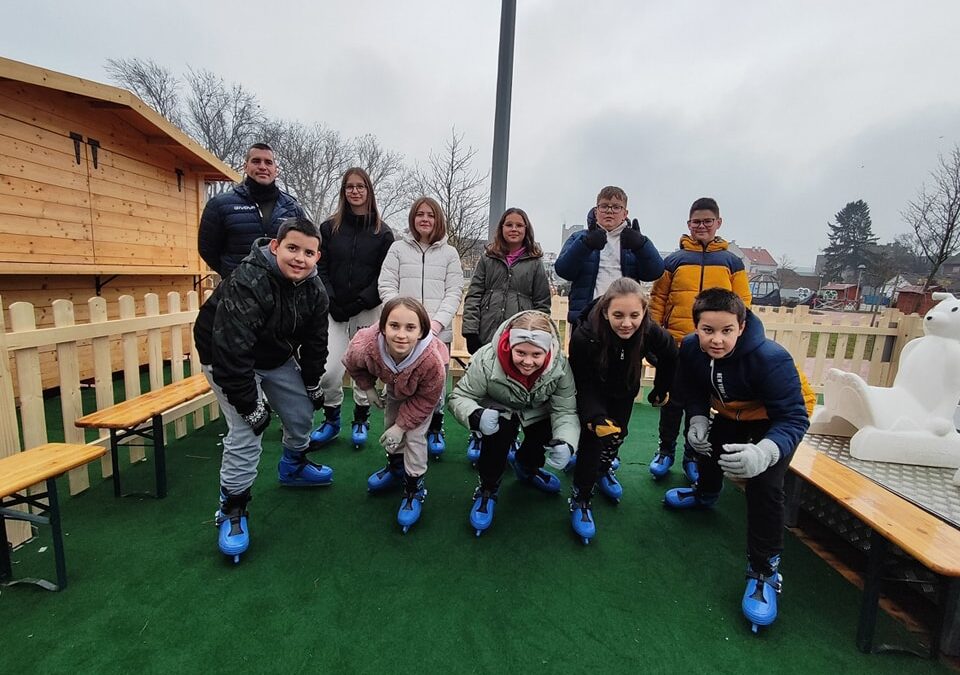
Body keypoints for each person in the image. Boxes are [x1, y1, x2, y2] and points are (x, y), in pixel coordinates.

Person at [663, 288, 815, 631]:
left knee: (764, 485)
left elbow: (793, 417)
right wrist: (699, 418)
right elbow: (691, 387)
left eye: (726, 330)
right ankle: (705, 494)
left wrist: (765, 451)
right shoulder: (689, 347)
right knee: (712, 446)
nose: (717, 340)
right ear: (696, 327)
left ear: (742, 326)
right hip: (733, 410)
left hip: (778, 417)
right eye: (708, 330)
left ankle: (764, 570)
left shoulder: (771, 358)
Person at [194, 217, 332, 563]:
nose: (300, 258)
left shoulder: (315, 291)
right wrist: (248, 404)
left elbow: (316, 342)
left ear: (318, 257)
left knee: (301, 411)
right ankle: (232, 506)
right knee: (246, 430)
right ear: (275, 246)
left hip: (273, 355)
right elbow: (231, 349)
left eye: (308, 252)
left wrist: (312, 382)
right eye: (292, 248)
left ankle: (294, 464)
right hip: (224, 357)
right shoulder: (249, 280)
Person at [647, 197, 751, 484]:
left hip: (711, 349)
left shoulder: (732, 262)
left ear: (718, 223)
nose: (701, 226)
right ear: (688, 225)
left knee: (701, 403)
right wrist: (657, 339)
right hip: (677, 344)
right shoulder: (674, 260)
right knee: (671, 402)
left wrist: (735, 340)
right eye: (696, 222)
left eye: (707, 221)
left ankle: (692, 455)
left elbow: (743, 303)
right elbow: (658, 301)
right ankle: (665, 451)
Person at [448, 310, 579, 537]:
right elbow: (459, 396)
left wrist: (567, 443)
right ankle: (487, 488)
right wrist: (477, 415)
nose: (528, 362)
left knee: (548, 430)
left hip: (536, 410)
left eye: (536, 354)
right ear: (509, 343)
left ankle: (527, 467)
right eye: (520, 352)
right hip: (499, 408)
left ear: (548, 350)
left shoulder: (559, 366)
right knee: (497, 436)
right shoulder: (487, 359)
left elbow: (565, 409)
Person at [567, 278, 677, 544]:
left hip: (625, 388)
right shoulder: (585, 336)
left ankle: (604, 468)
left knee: (618, 434)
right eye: (618, 315)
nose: (627, 323)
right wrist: (593, 417)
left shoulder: (649, 330)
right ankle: (581, 498)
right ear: (606, 312)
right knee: (594, 439)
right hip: (594, 388)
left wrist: (661, 388)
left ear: (643, 313)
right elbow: (582, 382)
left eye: (634, 315)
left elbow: (671, 353)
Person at [342, 297, 448, 533]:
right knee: (390, 427)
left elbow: (426, 400)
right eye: (394, 326)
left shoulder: (432, 360)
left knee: (413, 436)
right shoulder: (365, 345)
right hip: (395, 386)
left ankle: (414, 487)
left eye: (410, 328)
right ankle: (396, 469)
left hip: (423, 393)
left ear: (422, 331)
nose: (401, 334)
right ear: (382, 327)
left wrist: (403, 426)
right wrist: (368, 387)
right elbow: (352, 362)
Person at [310, 168, 395, 449]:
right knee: (328, 370)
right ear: (343, 191)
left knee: (364, 366)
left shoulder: (383, 233)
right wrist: (331, 300)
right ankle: (332, 417)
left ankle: (361, 417)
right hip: (333, 309)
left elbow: (385, 273)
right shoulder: (328, 228)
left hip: (367, 309)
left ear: (369, 191)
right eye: (349, 187)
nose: (355, 191)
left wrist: (361, 301)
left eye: (360, 186)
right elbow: (319, 266)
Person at [460, 208, 552, 462]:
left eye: (519, 225)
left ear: (526, 230)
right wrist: (470, 329)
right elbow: (474, 294)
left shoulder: (534, 263)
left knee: (510, 384)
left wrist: (537, 336)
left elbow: (542, 303)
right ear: (501, 228)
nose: (514, 229)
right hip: (488, 331)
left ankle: (508, 436)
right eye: (508, 225)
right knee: (485, 383)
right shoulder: (488, 258)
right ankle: (479, 431)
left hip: (519, 337)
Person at [378, 197, 464, 459]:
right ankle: (396, 437)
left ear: (438, 219)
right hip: (404, 336)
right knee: (399, 386)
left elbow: (454, 291)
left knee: (435, 385)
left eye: (431, 215)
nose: (425, 219)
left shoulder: (450, 253)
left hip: (437, 334)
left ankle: (436, 428)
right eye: (420, 214)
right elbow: (387, 284)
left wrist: (435, 325)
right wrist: (402, 321)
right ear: (413, 219)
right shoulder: (397, 249)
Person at [554, 186, 664, 324]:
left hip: (625, 318)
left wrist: (642, 246)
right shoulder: (579, 238)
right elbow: (563, 271)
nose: (609, 211)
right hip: (587, 317)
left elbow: (654, 272)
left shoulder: (635, 240)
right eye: (604, 206)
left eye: (616, 207)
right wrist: (585, 245)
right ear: (596, 211)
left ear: (625, 213)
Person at [198, 142, 305, 278]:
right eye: (256, 161)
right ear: (245, 166)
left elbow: (304, 245)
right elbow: (207, 249)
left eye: (268, 162)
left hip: (281, 291)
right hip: (238, 292)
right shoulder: (220, 205)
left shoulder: (292, 207)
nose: (262, 167)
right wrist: (234, 275)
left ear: (275, 169)